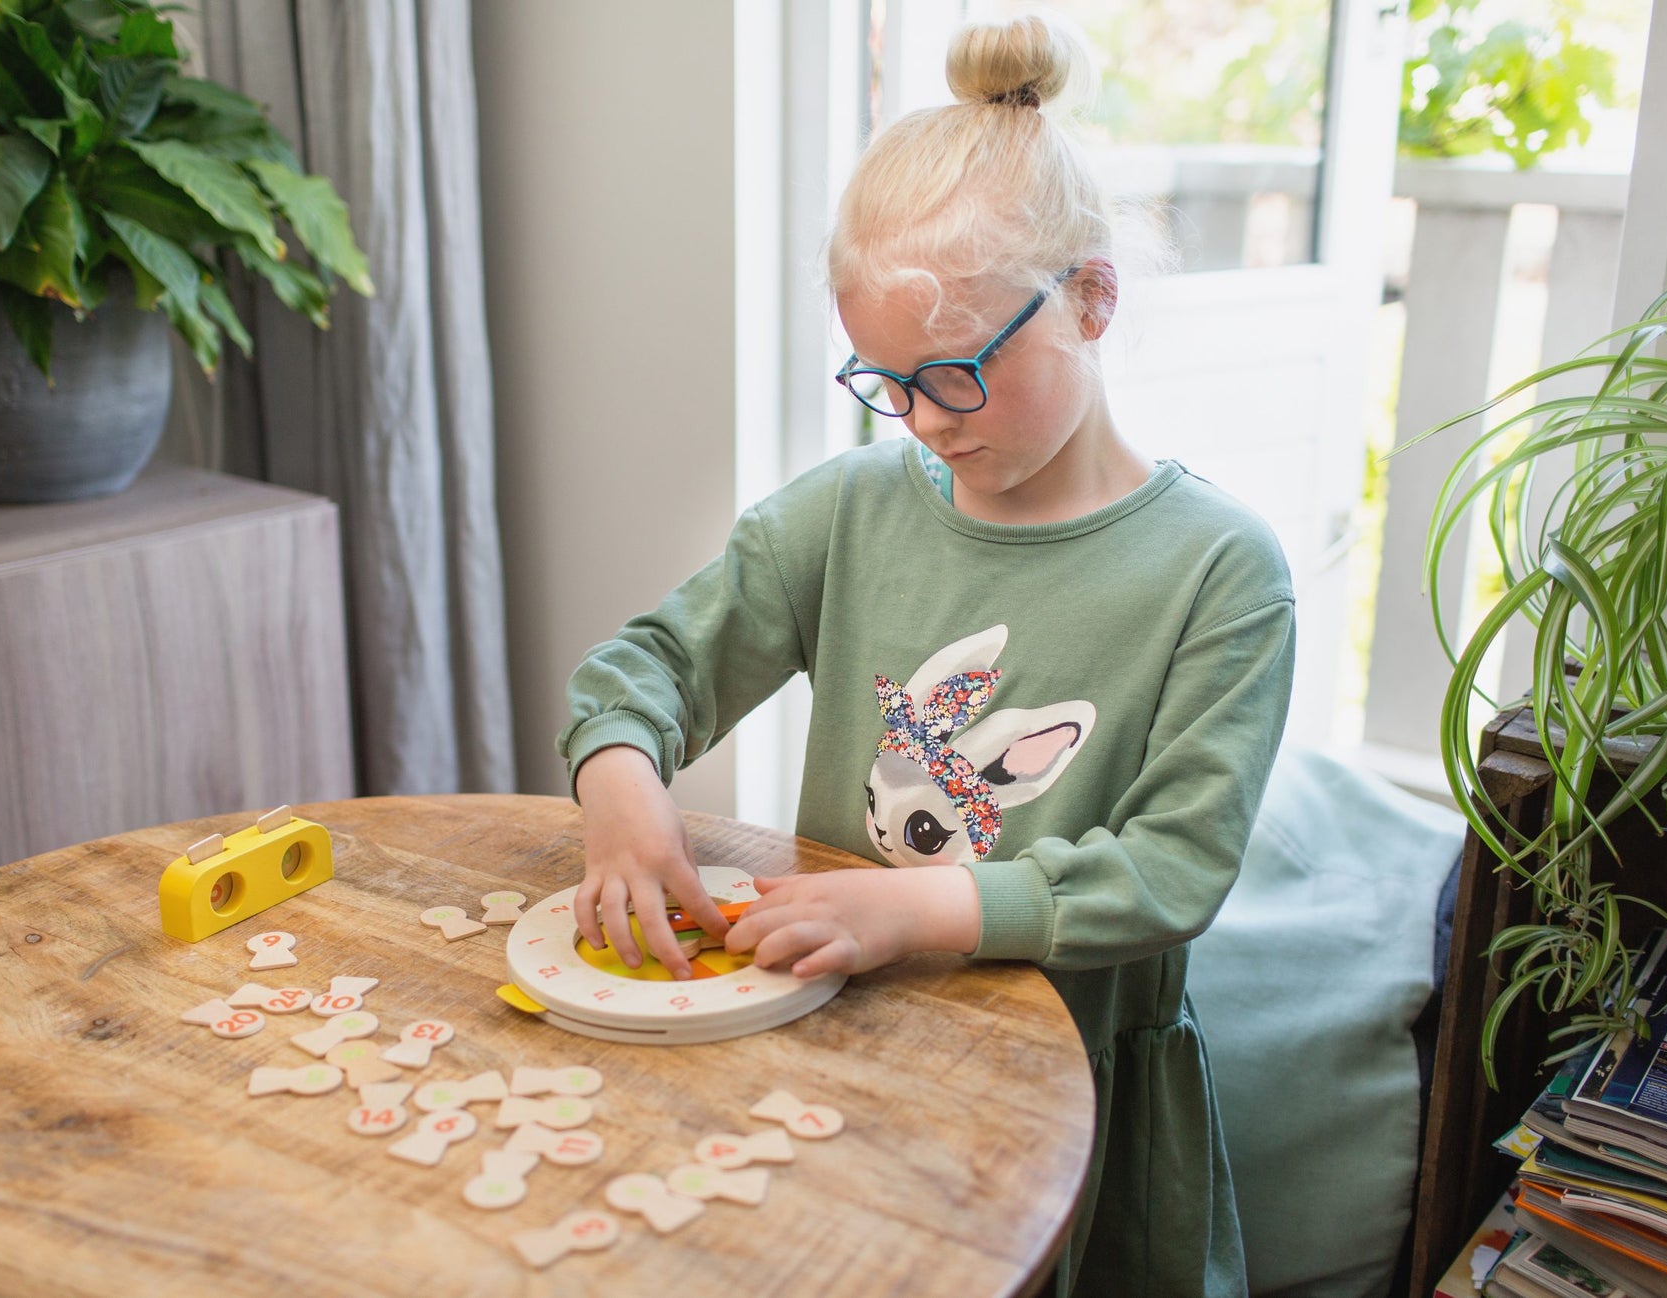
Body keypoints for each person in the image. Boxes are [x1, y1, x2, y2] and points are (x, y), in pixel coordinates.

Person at [555, 13, 1294, 1296]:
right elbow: (646, 668)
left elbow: (1173, 867)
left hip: (1076, 1105)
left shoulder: (1221, 570)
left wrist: (914, 906)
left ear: (1090, 298)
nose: (916, 420)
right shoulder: (845, 511)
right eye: (879, 380)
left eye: (952, 375)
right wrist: (619, 785)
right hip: (836, 1047)